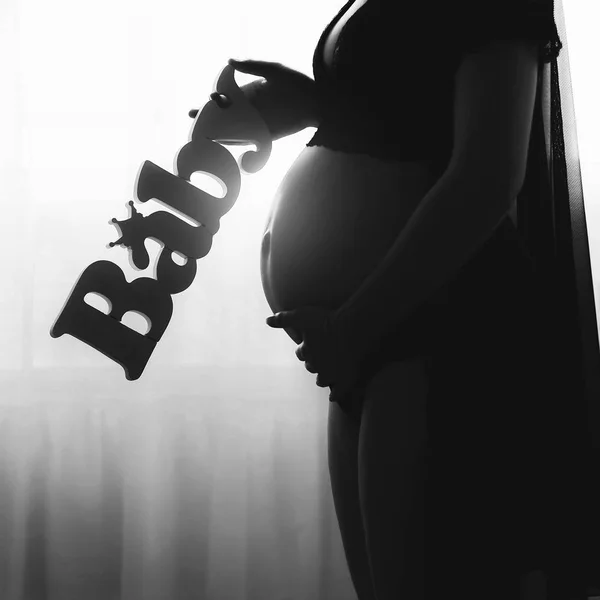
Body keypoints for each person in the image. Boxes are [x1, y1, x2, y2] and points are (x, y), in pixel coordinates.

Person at [191, 1, 594, 598]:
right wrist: (310, 103)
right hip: (370, 342)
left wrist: (355, 327)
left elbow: (487, 174)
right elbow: (407, 107)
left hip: (440, 334)